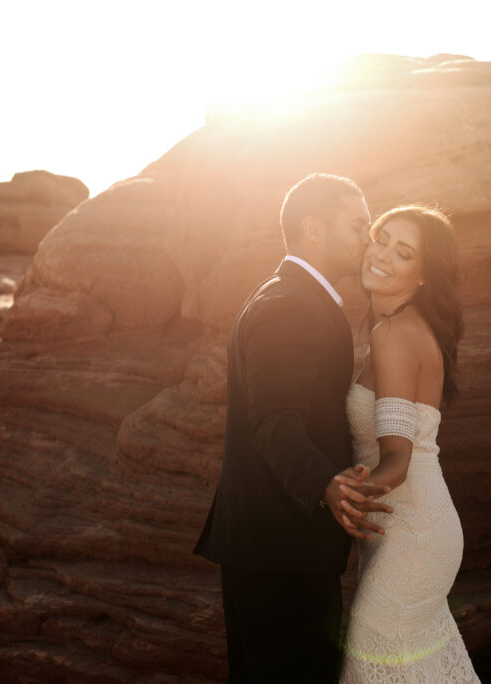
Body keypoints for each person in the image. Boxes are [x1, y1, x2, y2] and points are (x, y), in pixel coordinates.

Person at [194, 173, 393, 683]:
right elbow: (273, 420)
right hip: (280, 549)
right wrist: (326, 485)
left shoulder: (296, 296)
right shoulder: (289, 307)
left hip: (273, 545)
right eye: (357, 225)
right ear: (314, 229)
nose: (367, 238)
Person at [336, 205, 480, 683]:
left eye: (403, 253)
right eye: (381, 238)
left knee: (372, 662)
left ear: (422, 275)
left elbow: (398, 458)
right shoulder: (409, 327)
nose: (381, 255)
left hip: (412, 536)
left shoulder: (395, 332)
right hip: (412, 528)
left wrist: (343, 497)